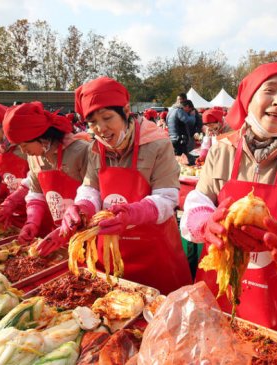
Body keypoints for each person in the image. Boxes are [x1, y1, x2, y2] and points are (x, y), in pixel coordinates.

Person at [180, 62, 277, 338]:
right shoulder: (221, 150)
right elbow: (200, 198)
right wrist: (204, 223)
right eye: (270, 91)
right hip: (218, 284)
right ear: (249, 99)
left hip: (276, 292)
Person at [37, 76, 192, 294]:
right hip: (110, 250)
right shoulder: (95, 148)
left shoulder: (157, 144)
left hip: (154, 251)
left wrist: (133, 213)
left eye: (107, 117)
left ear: (126, 111)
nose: (101, 128)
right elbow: (91, 188)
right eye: (92, 122)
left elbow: (167, 198)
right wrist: (82, 208)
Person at [1, 101, 90, 244]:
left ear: (41, 137)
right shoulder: (35, 157)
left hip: (85, 232)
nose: (24, 151)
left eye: (25, 145)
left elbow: (93, 194)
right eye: (19, 146)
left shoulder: (81, 151)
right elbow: (36, 192)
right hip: (55, 232)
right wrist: (32, 222)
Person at [167, 99, 197, 165]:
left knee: (176, 159)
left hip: (172, 138)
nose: (188, 112)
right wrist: (192, 116)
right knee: (183, 159)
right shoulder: (179, 111)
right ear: (187, 106)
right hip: (179, 139)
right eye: (190, 109)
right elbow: (188, 121)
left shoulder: (171, 111)